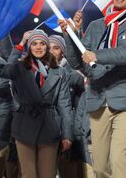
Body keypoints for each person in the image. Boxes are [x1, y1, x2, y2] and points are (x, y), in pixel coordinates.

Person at [59, 0, 126, 178]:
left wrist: (98, 55)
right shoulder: (96, 26)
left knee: (119, 158)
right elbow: (79, 63)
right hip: (97, 98)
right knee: (101, 167)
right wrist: (70, 36)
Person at [0, 30, 73, 178]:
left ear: (46, 46)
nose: (38, 47)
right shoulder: (20, 67)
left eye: (42, 43)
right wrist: (4, 48)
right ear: (29, 46)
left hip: (49, 127)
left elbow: (64, 105)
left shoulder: (59, 72)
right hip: (24, 125)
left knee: (48, 174)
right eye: (34, 43)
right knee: (28, 174)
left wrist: (67, 135)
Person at [49, 34, 86, 178]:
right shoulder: (37, 72)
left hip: (67, 132)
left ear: (63, 51)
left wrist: (72, 133)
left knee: (68, 172)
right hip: (46, 130)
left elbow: (79, 107)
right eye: (49, 47)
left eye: (56, 48)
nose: (52, 51)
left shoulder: (74, 75)